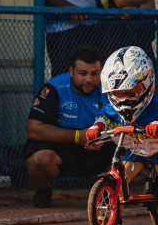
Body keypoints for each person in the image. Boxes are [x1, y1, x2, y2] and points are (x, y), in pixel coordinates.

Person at [85, 45, 158, 225]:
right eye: (117, 94)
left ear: (146, 84)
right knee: (121, 181)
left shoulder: (155, 105)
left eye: (129, 93)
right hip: (133, 151)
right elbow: (104, 117)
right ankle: (116, 218)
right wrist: (97, 127)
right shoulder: (113, 109)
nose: (122, 99)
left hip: (157, 150)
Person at [23, 45, 112, 208]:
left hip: (100, 148)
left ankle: (109, 192)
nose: (89, 80)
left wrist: (104, 138)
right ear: (71, 71)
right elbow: (33, 129)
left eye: (95, 74)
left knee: (129, 152)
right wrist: (78, 136)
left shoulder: (111, 89)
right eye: (82, 73)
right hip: (63, 150)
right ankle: (43, 190)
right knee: (38, 159)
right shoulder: (54, 88)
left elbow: (126, 124)